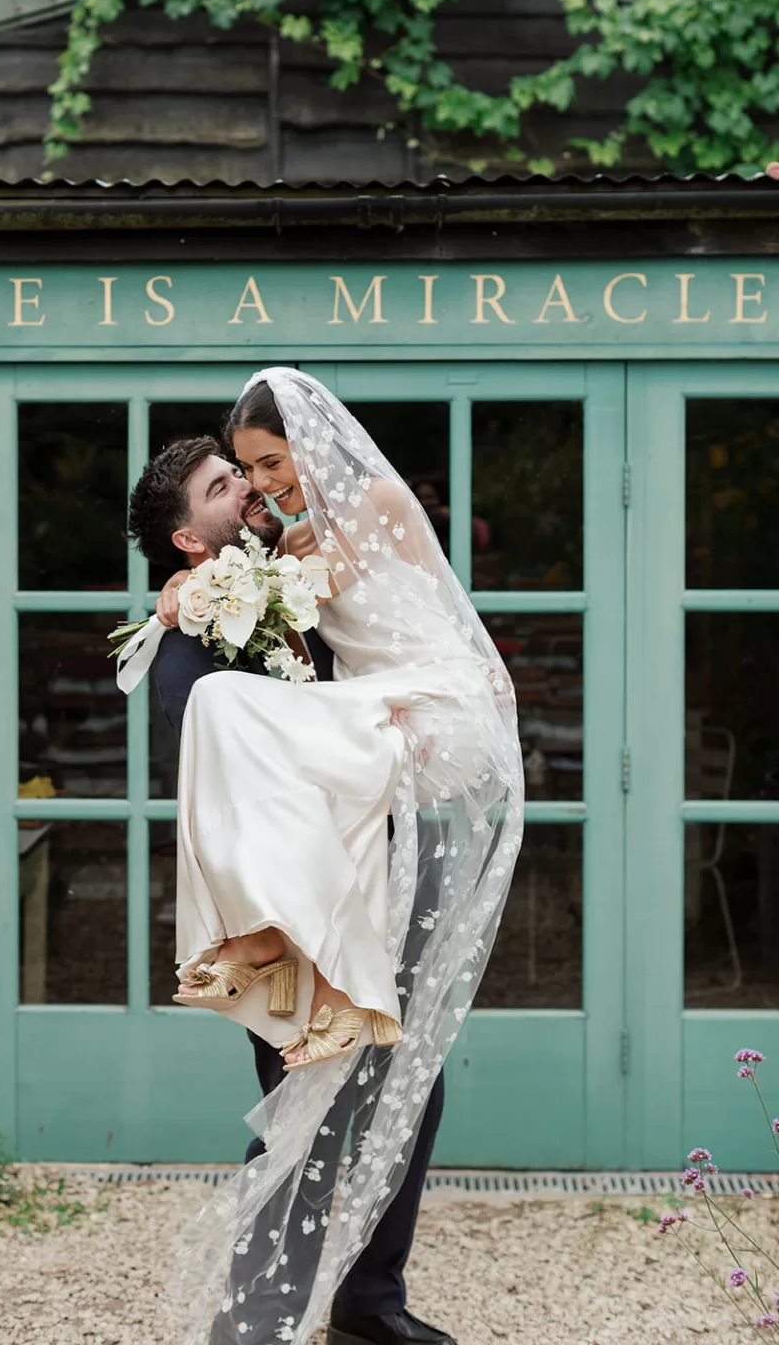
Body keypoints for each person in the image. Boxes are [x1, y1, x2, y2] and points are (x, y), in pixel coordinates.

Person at [120, 369, 525, 1345]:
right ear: (186, 538)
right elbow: (219, 750)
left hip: (362, 863)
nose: (253, 492)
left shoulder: (284, 564)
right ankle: (260, 1316)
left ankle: (366, 1301)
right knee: (307, 1104)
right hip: (286, 909)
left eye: (258, 470)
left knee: (408, 1082)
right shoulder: (191, 646)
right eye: (229, 485)